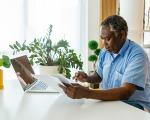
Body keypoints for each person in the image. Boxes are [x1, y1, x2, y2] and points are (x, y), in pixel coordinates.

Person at [59, 15, 150, 111]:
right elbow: (99, 76)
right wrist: (87, 78)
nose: (104, 44)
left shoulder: (137, 55)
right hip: (110, 103)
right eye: (102, 39)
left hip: (133, 107)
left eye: (107, 39)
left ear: (122, 35)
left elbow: (126, 92)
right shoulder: (105, 52)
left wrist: (87, 93)